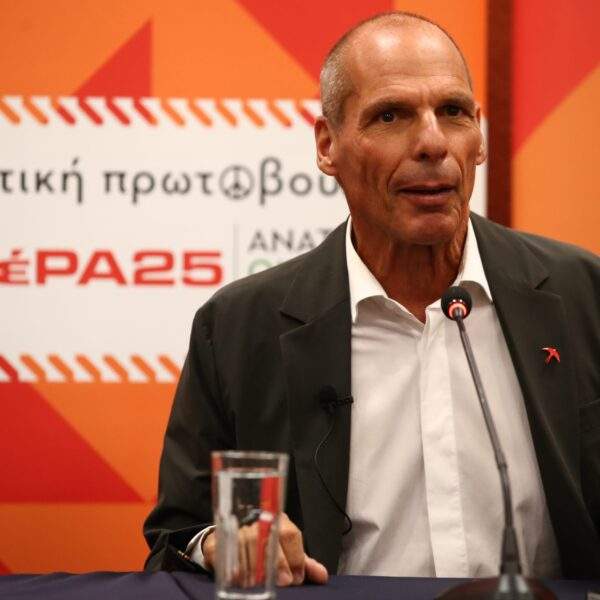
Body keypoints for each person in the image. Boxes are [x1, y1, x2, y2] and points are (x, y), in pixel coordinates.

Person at [144, 11, 600, 584]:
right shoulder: (239, 328)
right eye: (391, 116)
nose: (433, 143)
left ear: (480, 137)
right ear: (327, 145)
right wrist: (221, 542)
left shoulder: (582, 296)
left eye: (453, 112)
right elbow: (176, 537)